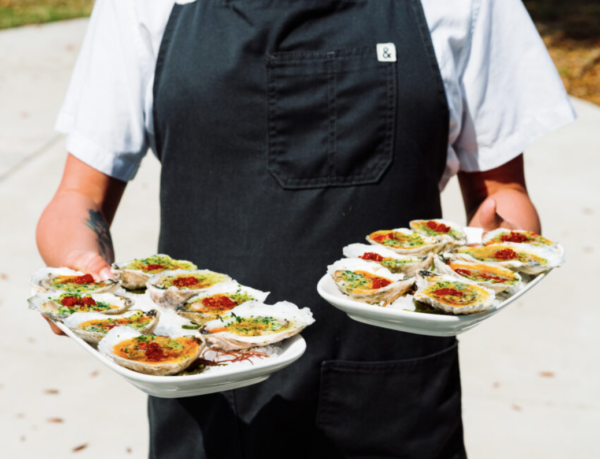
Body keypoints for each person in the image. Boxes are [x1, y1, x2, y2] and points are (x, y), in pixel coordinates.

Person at [37, 0, 574, 457]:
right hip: (203, 393)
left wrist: (502, 244)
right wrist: (81, 271)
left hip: (397, 393)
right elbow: (79, 196)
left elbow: (503, 194)